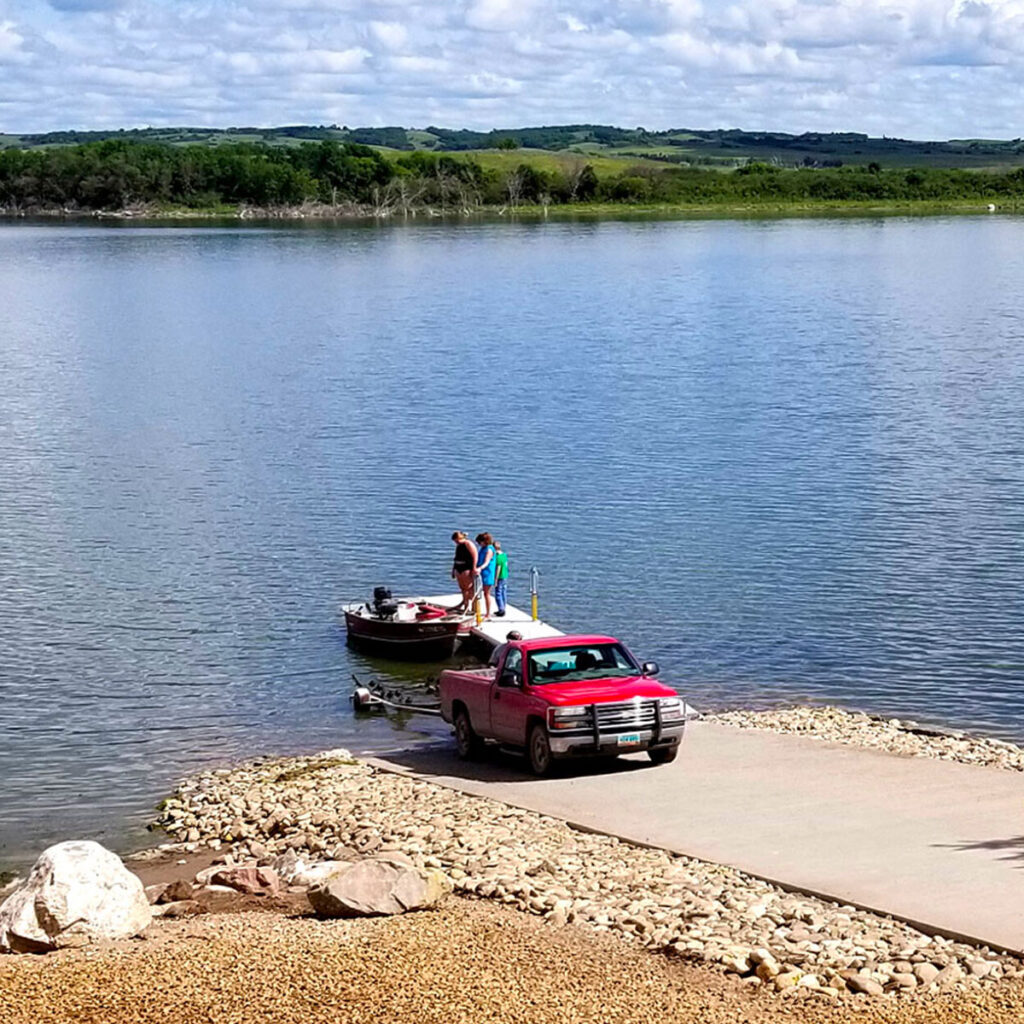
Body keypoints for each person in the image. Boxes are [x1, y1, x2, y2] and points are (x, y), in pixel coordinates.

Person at [450, 531, 477, 614]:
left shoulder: (468, 544)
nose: (456, 542)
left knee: (469, 588)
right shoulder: (459, 546)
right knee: (463, 588)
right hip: (458, 567)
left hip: (466, 568)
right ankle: (465, 606)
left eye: (457, 540)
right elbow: (456, 558)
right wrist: (453, 570)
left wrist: (474, 568)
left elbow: (475, 556)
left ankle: (473, 607)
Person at [475, 532, 496, 617]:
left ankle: (488, 613)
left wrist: (480, 568)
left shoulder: (489, 549)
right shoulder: (483, 548)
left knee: (486, 593)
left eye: (480, 542)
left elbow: (486, 562)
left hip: (487, 573)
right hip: (480, 572)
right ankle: (476, 609)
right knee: (477, 591)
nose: (479, 544)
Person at [493, 540, 509, 617]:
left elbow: (498, 568)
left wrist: (495, 580)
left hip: (499, 577)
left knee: (498, 593)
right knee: (503, 592)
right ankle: (503, 607)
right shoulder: (504, 555)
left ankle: (501, 609)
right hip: (505, 576)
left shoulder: (498, 557)